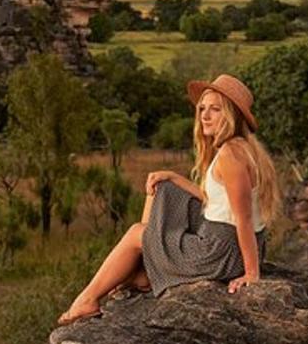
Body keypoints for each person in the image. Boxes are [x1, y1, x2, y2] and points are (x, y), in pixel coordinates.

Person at [58, 73, 281, 325]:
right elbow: (219, 202)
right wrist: (174, 177)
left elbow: (243, 218)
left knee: (135, 233)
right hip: (226, 244)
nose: (205, 116)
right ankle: (144, 267)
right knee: (163, 186)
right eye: (202, 109)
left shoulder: (231, 156)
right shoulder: (241, 147)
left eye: (215, 110)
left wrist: (251, 273)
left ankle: (88, 299)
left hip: (220, 252)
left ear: (231, 115)